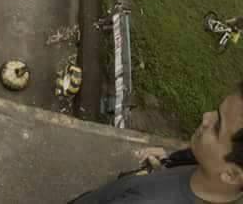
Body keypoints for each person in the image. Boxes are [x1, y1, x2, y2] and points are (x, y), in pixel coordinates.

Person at [69, 83, 243, 203]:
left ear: (232, 175)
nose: (206, 117)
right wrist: (169, 162)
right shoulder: (210, 170)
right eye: (216, 111)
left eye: (218, 126)